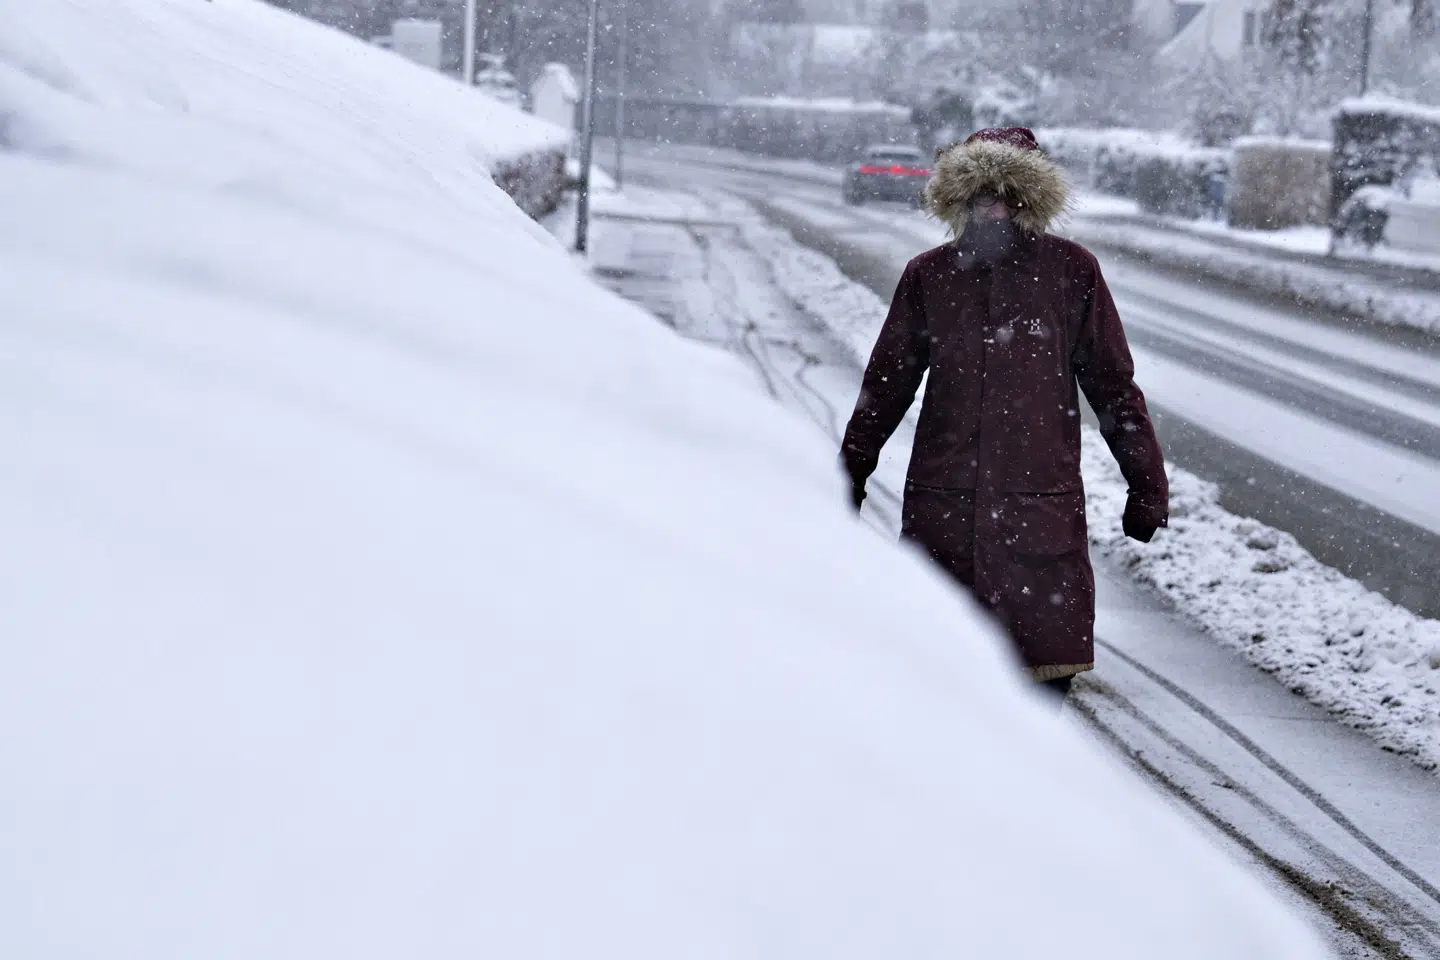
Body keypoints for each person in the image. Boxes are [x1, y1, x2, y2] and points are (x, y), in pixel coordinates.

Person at [840, 127, 1168, 705]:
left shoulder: (1071, 274)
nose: (991, 206)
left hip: (1037, 523)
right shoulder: (930, 275)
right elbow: (887, 384)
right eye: (979, 192)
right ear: (958, 197)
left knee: (1037, 717)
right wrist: (851, 469)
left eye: (1005, 192)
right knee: (939, 704)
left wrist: (1146, 484)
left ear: (1027, 198)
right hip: (946, 514)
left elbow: (1113, 388)